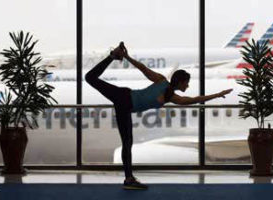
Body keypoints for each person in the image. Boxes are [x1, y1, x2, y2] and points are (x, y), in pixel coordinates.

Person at [85, 42, 233, 190]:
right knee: (90, 78)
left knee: (127, 143)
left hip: (125, 105)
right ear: (180, 82)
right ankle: (113, 56)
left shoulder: (172, 97)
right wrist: (127, 57)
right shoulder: (162, 81)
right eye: (186, 83)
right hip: (124, 97)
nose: (187, 86)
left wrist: (217, 95)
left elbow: (194, 100)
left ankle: (129, 178)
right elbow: (143, 69)